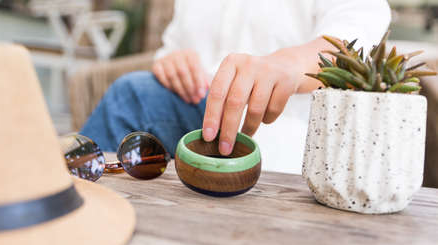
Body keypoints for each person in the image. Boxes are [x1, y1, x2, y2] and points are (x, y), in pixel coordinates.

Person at [80, 0, 391, 171]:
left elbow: (357, 40)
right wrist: (172, 62)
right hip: (194, 110)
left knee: (130, 95)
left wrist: (292, 64)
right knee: (132, 95)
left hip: (283, 128)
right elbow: (173, 46)